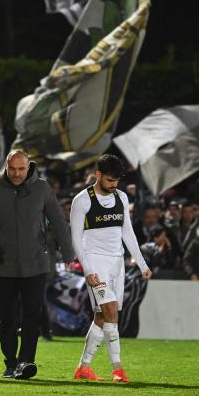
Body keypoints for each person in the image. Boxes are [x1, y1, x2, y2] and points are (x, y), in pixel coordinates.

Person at [0, 149, 74, 380]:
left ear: (29, 167)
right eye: (12, 169)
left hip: (36, 263)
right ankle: (11, 363)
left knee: (31, 316)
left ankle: (26, 362)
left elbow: (58, 221)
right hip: (4, 262)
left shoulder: (43, 188)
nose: (17, 174)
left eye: (21, 169)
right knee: (6, 317)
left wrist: (68, 253)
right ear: (6, 167)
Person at [70, 154, 151, 383]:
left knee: (101, 316)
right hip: (95, 263)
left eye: (117, 181)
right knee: (111, 310)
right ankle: (118, 368)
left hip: (117, 263)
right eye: (109, 180)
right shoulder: (82, 200)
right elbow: (76, 238)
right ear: (98, 175)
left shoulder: (122, 197)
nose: (113, 185)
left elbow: (128, 232)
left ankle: (83, 368)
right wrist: (87, 269)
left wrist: (142, 263)